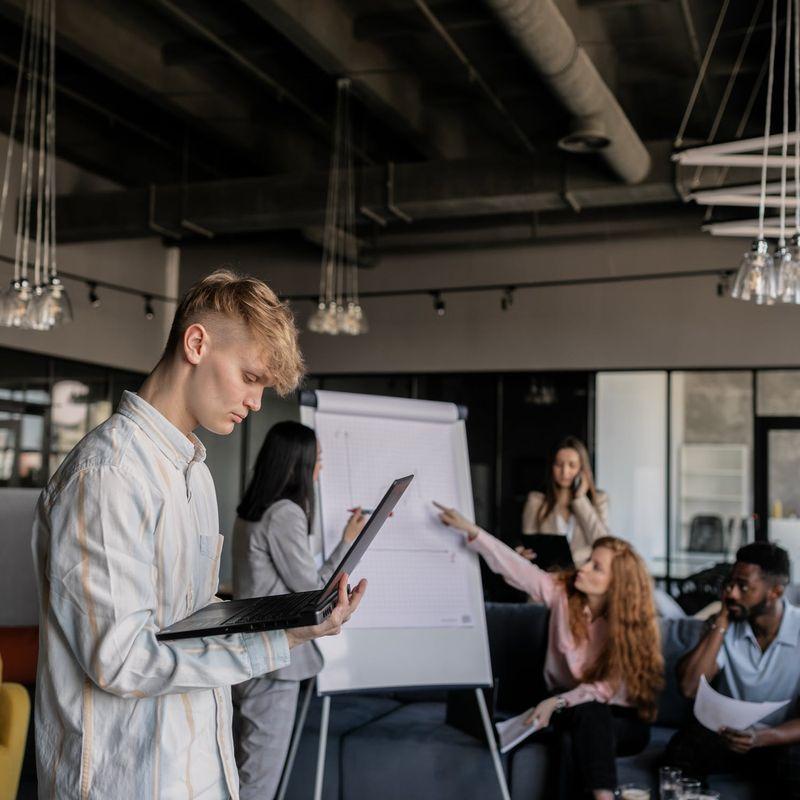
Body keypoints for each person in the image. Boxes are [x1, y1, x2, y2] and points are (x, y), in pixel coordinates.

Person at [31, 270, 367, 799]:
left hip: (199, 770)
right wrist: (280, 640)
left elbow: (193, 615)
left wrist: (290, 619)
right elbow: (121, 660)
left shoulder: (195, 472)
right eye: (250, 377)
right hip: (127, 784)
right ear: (196, 343)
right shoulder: (107, 474)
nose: (257, 401)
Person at [435, 503, 663, 800]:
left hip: (622, 721)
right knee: (577, 724)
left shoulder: (631, 626)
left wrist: (555, 702)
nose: (583, 567)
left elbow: (604, 690)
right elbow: (519, 570)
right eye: (589, 560)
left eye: (596, 566)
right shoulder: (562, 593)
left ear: (616, 584)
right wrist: (473, 531)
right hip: (568, 710)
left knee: (583, 724)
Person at [232, 421, 366, 800]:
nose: (320, 470)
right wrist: (347, 544)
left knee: (242, 772)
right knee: (259, 781)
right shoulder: (285, 513)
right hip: (277, 662)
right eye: (317, 461)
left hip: (250, 659)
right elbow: (313, 593)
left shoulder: (252, 511)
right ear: (299, 464)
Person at [666, 542, 800, 797]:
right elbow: (689, 687)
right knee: (682, 748)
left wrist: (763, 737)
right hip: (729, 738)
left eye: (743, 586)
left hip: (779, 740)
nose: (731, 594)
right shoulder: (726, 625)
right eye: (730, 584)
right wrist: (721, 621)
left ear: (775, 592)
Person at [519, 436, 610, 566]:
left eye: (572, 465)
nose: (565, 471)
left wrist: (580, 498)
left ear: (582, 469)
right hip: (548, 576)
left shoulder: (599, 500)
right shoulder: (536, 501)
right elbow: (530, 546)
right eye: (558, 464)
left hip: (584, 575)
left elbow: (602, 543)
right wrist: (523, 553)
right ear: (551, 466)